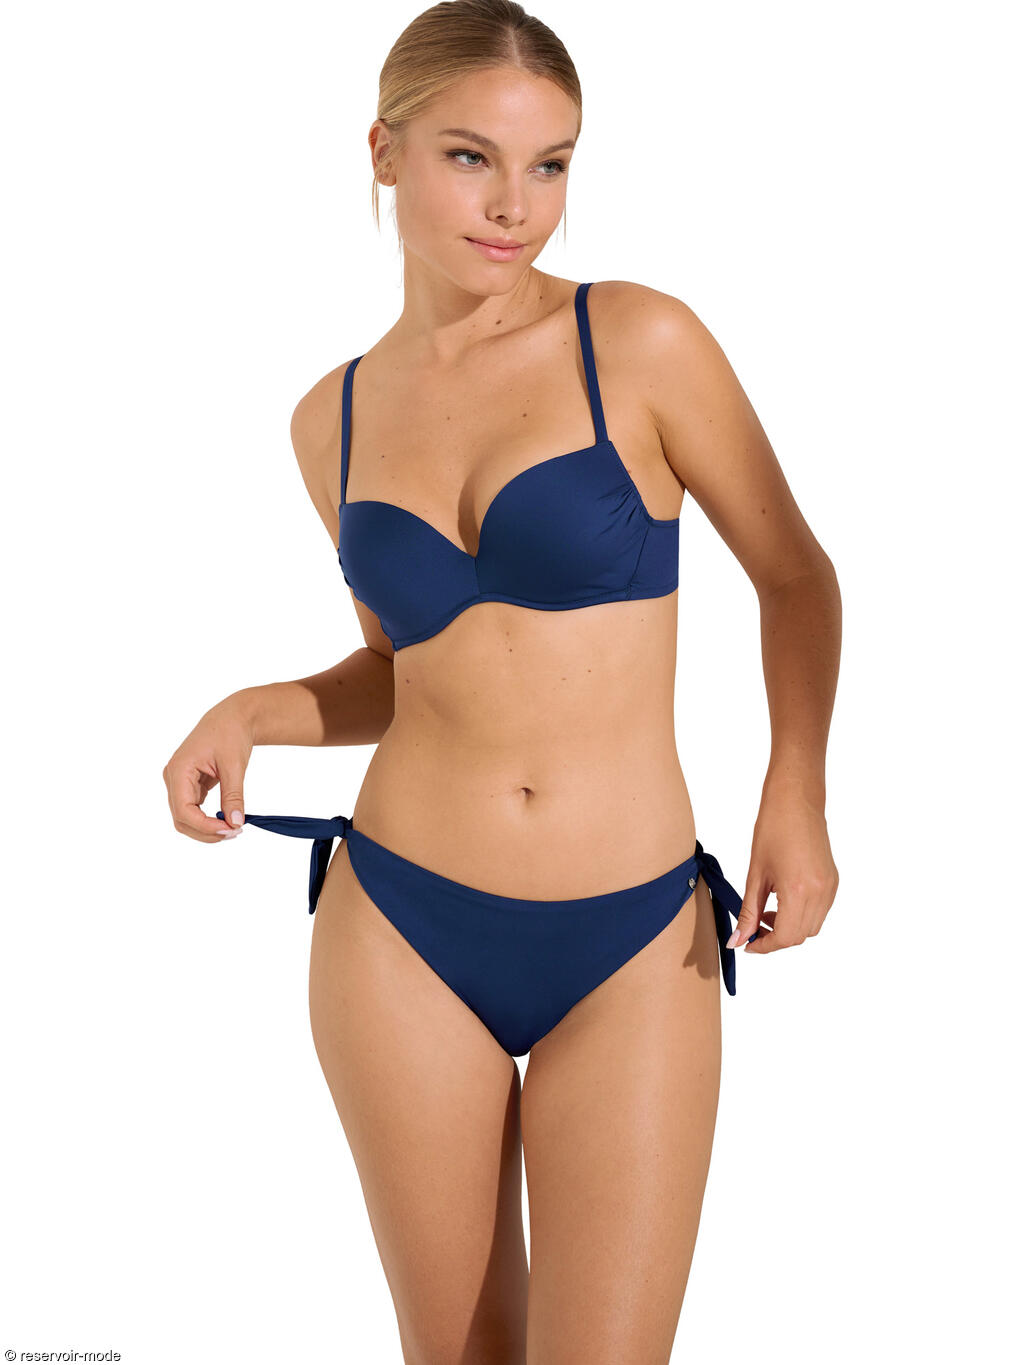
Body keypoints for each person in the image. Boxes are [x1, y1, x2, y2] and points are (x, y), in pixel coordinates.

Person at [163, 1, 841, 1360]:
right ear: (384, 152)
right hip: (400, 922)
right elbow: (404, 671)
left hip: (634, 935)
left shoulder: (638, 342)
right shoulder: (331, 416)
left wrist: (797, 793)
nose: (515, 206)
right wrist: (249, 713)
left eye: (551, 165)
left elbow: (795, 577)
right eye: (471, 157)